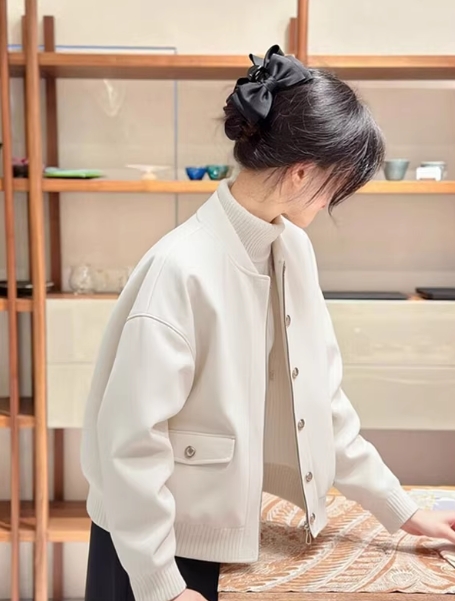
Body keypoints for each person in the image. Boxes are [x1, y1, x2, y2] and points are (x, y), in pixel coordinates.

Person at [81, 45, 455, 601]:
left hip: (224, 538)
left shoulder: (292, 249)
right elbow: (130, 444)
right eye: (337, 187)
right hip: (153, 550)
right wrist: (161, 584)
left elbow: (325, 405)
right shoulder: (179, 268)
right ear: (301, 173)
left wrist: (403, 511)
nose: (333, 203)